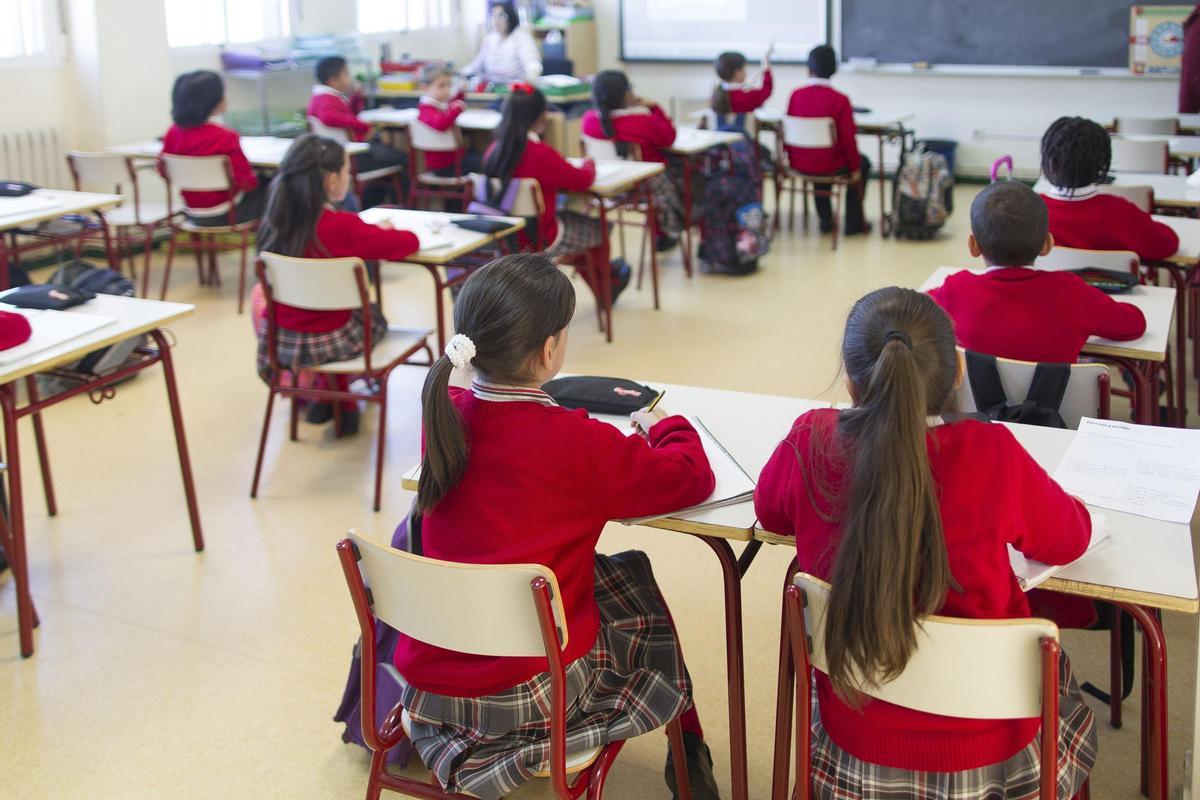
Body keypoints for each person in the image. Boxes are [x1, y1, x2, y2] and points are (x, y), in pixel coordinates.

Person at [390, 254, 720, 800]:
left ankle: (689, 744)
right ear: (549, 351)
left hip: (431, 687)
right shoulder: (579, 445)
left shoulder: (441, 416)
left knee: (609, 577)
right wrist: (666, 426)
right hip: (532, 694)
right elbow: (691, 477)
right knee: (636, 585)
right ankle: (688, 744)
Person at [754, 287, 1097, 800]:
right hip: (993, 755)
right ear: (958, 372)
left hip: (853, 751)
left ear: (850, 382)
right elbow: (1070, 539)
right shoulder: (993, 453)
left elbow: (769, 511)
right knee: (1056, 671)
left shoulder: (811, 440)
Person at [253, 134, 420, 435]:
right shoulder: (344, 226)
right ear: (332, 181)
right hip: (338, 341)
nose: (349, 177)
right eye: (347, 171)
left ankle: (329, 396)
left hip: (283, 342)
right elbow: (408, 242)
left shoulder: (273, 224)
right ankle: (342, 400)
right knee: (364, 315)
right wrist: (378, 230)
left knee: (326, 311)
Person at [930, 181, 1146, 364]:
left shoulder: (955, 291)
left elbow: (912, 309)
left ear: (973, 245)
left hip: (975, 403)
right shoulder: (1071, 292)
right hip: (1060, 403)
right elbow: (1134, 324)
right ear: (1048, 244)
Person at [481, 84, 631, 302]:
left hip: (505, 234)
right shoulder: (539, 153)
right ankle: (607, 287)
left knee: (580, 234)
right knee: (598, 228)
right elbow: (582, 180)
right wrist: (589, 163)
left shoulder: (492, 150)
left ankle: (607, 277)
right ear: (542, 116)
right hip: (541, 236)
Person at [1038, 116, 1179, 262]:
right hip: (1108, 278)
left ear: (1047, 158)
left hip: (1053, 278)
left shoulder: (1030, 211)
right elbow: (1167, 244)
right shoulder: (1121, 211)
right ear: (1103, 162)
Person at [582, 70, 684, 252]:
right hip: (642, 189)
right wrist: (654, 107)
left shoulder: (588, 120)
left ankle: (663, 233)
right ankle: (666, 231)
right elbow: (669, 137)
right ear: (626, 94)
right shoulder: (641, 121)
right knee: (682, 172)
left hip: (606, 186)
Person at [160, 70, 267, 226]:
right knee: (277, 187)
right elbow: (247, 183)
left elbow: (163, 170)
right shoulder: (226, 137)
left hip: (191, 212)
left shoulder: (172, 133)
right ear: (212, 101)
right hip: (229, 213)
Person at [784, 45, 870, 235]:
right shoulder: (840, 100)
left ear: (808, 68)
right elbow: (848, 141)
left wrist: (790, 158)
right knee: (861, 163)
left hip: (799, 163)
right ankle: (853, 223)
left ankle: (825, 220)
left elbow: (787, 133)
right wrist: (855, 168)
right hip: (829, 164)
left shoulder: (795, 96)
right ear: (834, 70)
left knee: (818, 156)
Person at [307, 55, 407, 208]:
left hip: (349, 152)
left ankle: (373, 204)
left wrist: (356, 98)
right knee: (402, 158)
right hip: (353, 157)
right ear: (333, 80)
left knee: (386, 154)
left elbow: (346, 115)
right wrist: (362, 125)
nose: (349, 78)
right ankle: (398, 208)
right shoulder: (325, 99)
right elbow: (328, 117)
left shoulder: (325, 96)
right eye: (346, 74)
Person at [416, 63, 483, 177]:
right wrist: (456, 109)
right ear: (424, 88)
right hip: (445, 166)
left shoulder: (437, 104)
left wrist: (460, 94)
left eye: (449, 85)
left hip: (454, 160)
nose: (447, 90)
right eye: (441, 86)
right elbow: (441, 124)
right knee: (487, 161)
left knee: (481, 155)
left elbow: (450, 105)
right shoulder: (425, 109)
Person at [461, 1, 543, 87]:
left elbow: (532, 64)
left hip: (514, 87)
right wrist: (461, 73)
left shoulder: (521, 37)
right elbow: (476, 65)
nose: (496, 20)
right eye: (493, 16)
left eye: (502, 16)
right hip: (491, 86)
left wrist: (531, 77)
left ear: (511, 17)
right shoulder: (490, 38)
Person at [710, 45, 774, 133]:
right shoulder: (748, 96)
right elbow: (766, 90)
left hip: (719, 141)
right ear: (738, 73)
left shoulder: (716, 95)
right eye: (744, 69)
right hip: (744, 140)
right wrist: (766, 66)